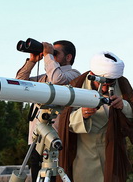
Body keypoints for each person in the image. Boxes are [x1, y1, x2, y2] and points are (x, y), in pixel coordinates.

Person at [57, 51, 133, 182]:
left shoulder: (122, 84)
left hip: (113, 152)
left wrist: (123, 105)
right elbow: (64, 122)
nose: (106, 87)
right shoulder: (78, 85)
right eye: (103, 83)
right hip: (85, 154)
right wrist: (83, 115)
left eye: (110, 83)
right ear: (93, 75)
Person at [16, 40, 81, 182]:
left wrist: (47, 55)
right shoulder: (44, 77)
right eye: (50, 52)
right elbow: (20, 81)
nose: (50, 55)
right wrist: (32, 61)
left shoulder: (74, 74)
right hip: (35, 140)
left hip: (55, 141)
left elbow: (57, 80)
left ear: (68, 57)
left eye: (55, 53)